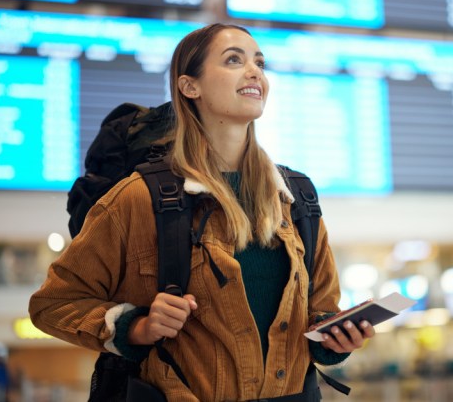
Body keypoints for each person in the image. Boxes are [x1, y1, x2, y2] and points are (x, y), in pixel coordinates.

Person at [29, 23, 375, 401]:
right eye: (233, 60)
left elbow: (320, 313)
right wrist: (136, 327)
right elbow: (54, 304)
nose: (254, 71)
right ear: (189, 86)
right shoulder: (139, 198)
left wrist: (336, 338)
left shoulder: (296, 198)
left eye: (259, 62)